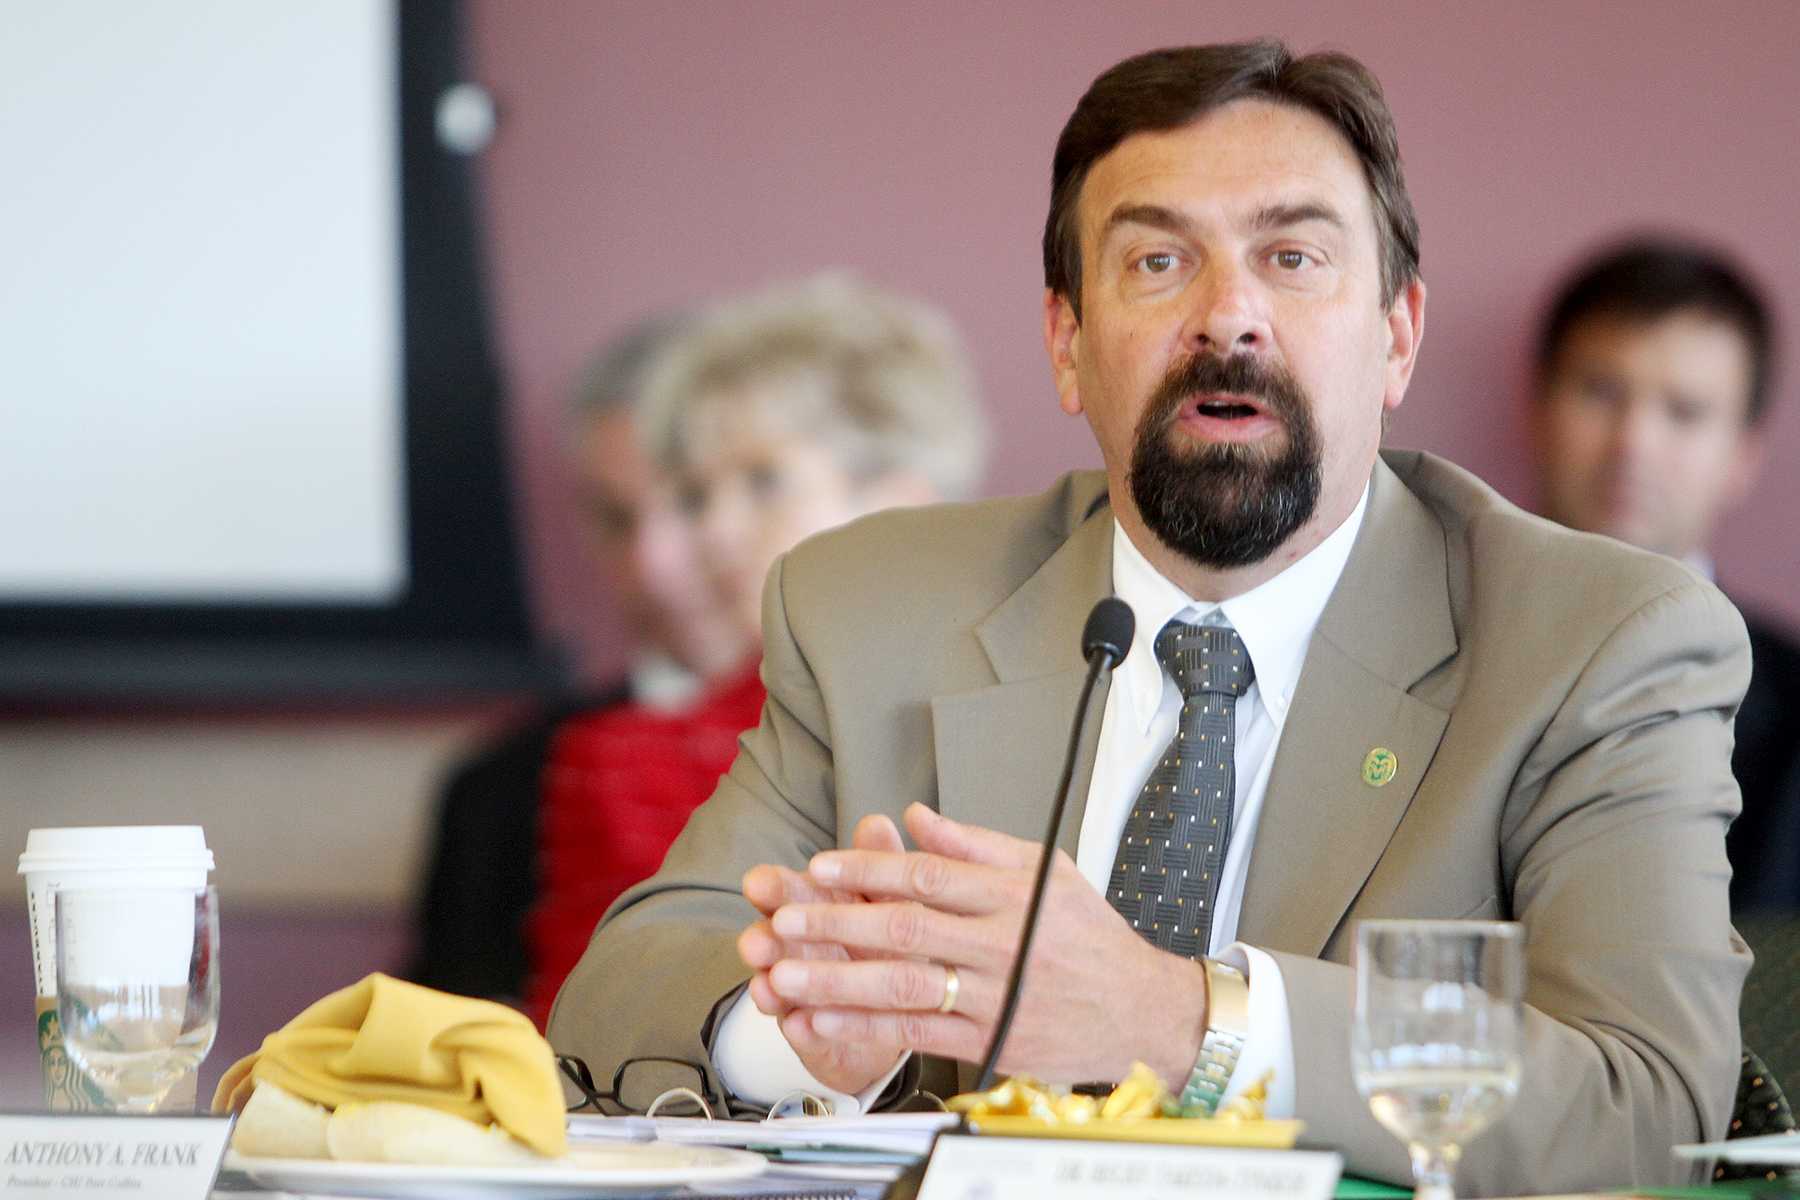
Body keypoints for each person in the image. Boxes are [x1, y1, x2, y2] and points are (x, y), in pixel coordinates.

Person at [548, 41, 1750, 1193]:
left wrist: (1180, 1022)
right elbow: (620, 999)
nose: (1229, 316)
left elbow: (1645, 1101)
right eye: (1158, 263)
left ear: (1396, 336)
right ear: (1068, 344)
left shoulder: (1599, 642)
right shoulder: (871, 608)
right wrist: (800, 1032)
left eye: (1292, 258)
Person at [523, 273, 989, 1025]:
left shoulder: (1043, 710)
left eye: (763, 481)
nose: (714, 530)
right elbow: (587, 1045)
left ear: (904, 498)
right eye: (700, 494)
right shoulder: (617, 762)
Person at [410, 313, 752, 1004]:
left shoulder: (893, 747)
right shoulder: (501, 786)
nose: (653, 564)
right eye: (616, 517)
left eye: (692, 503)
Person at [1529, 238, 1800, 913]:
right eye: (1600, 392)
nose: (1634, 445)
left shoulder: (1794, 710)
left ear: (1743, 453)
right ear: (1538, 409)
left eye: (1684, 411)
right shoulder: (1422, 648)